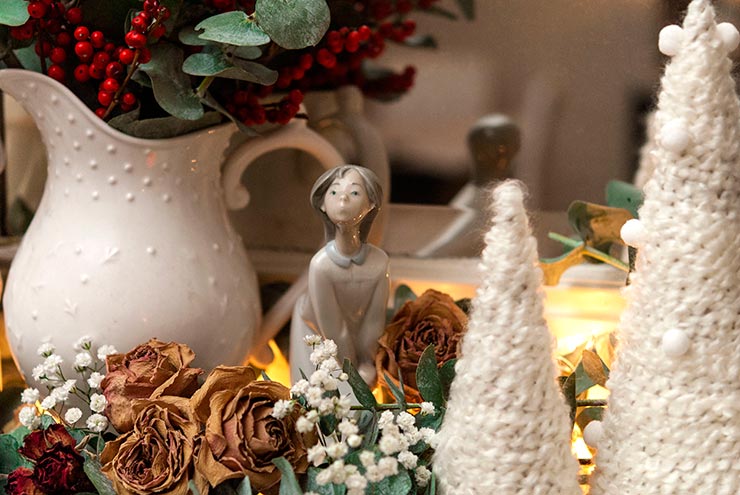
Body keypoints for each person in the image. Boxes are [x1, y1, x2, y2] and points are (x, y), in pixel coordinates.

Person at [290, 165, 390, 385]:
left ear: (371, 204)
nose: (343, 198)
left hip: (358, 342)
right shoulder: (321, 266)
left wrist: (368, 360)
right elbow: (332, 327)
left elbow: (374, 319)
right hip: (319, 340)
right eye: (334, 192)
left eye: (355, 192)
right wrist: (352, 371)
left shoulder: (379, 262)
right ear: (323, 205)